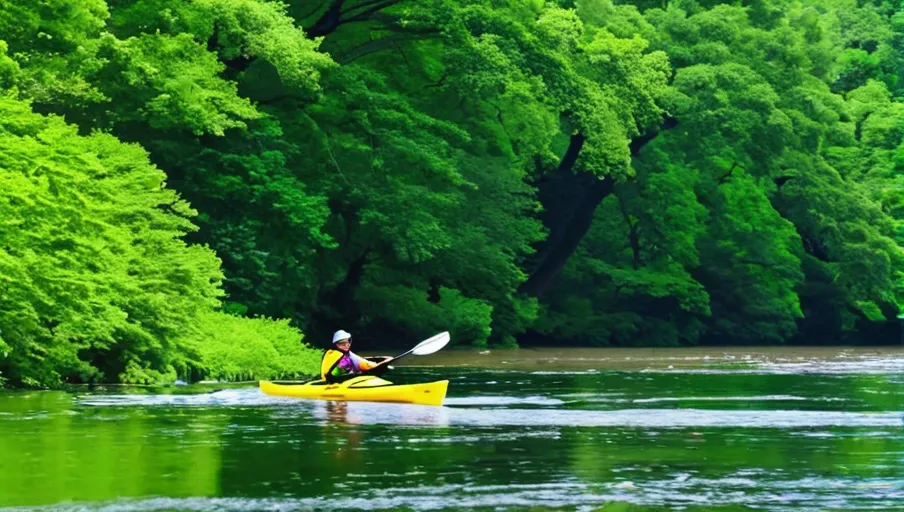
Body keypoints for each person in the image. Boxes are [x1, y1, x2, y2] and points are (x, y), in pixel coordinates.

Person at [320, 330, 389, 381]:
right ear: (336, 345)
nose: (347, 345)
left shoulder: (347, 354)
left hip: (349, 378)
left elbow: (360, 362)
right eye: (343, 343)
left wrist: (377, 365)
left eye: (348, 342)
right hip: (336, 381)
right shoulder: (333, 354)